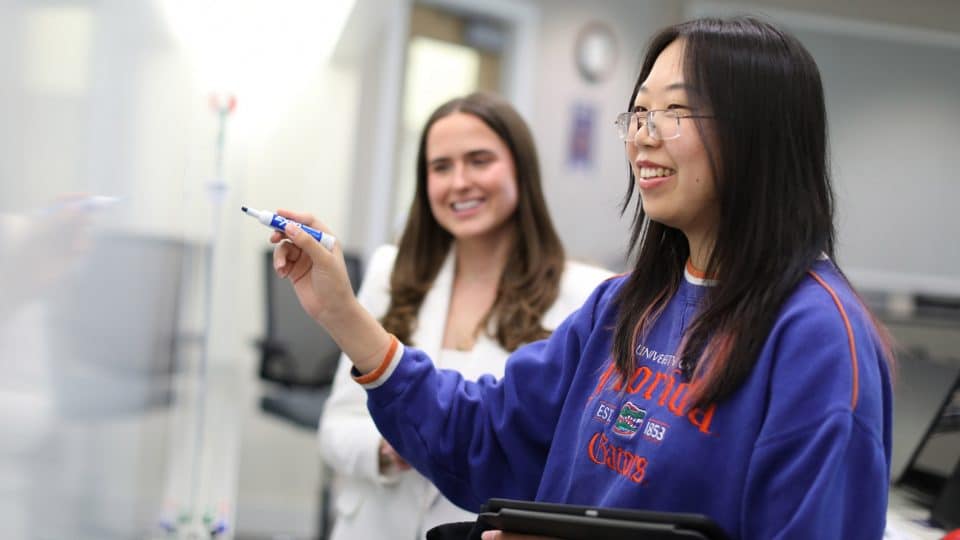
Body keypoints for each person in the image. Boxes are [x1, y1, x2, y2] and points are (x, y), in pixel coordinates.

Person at [271, 17, 894, 540]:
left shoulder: (817, 338)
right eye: (639, 112)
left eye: (675, 111)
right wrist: (342, 313)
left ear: (758, 134)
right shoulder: (625, 306)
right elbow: (487, 437)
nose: (643, 138)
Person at [308, 92, 613, 540]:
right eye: (441, 167)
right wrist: (386, 450)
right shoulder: (390, 274)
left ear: (520, 169)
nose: (459, 182)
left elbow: (572, 461)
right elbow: (334, 428)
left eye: (479, 160)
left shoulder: (585, 296)